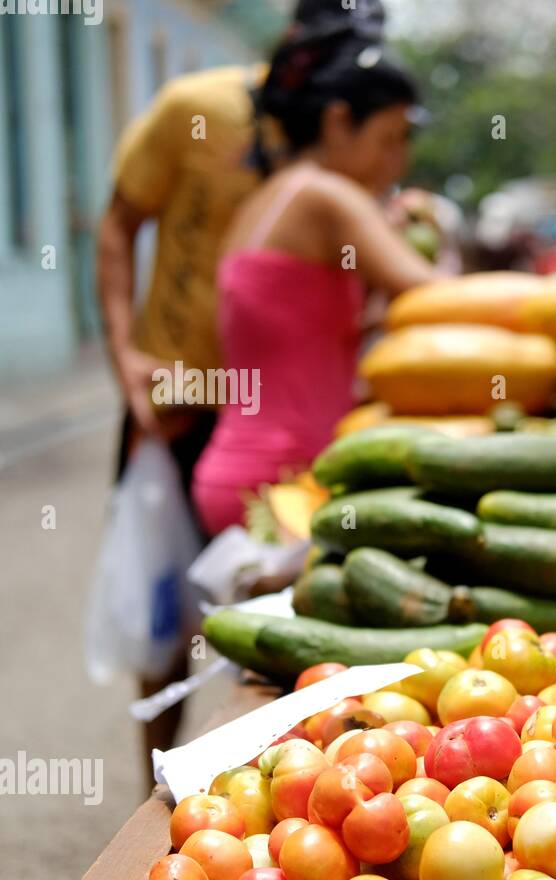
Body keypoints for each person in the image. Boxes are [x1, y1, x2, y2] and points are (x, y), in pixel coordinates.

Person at [95, 0, 388, 761]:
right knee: (167, 608)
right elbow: (118, 223)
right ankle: (153, 786)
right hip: (174, 402)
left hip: (259, 412)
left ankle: (244, 779)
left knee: (257, 614)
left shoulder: (334, 141)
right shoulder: (197, 110)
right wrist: (126, 354)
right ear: (294, 37)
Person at [189, 33, 440, 537]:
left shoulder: (264, 201)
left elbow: (296, 334)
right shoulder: (327, 195)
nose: (397, 163)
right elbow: (436, 296)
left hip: (235, 468)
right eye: (388, 140)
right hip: (285, 481)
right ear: (338, 120)